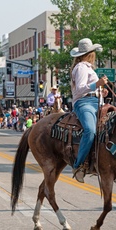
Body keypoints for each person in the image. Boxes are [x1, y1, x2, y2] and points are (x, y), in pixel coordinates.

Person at [70, 38, 108, 183]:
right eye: (93, 53)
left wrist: (100, 92)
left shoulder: (89, 68)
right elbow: (80, 89)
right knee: (90, 131)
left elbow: (90, 88)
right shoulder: (80, 67)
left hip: (96, 101)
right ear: (89, 53)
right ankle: (78, 165)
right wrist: (96, 84)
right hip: (84, 103)